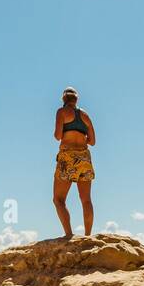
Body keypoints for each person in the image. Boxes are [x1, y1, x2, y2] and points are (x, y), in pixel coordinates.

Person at [52, 86, 96, 237]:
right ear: (76, 99)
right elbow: (92, 141)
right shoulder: (85, 115)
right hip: (84, 157)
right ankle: (88, 236)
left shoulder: (61, 112)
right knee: (86, 200)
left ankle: (69, 235)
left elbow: (58, 136)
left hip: (68, 157)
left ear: (64, 100)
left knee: (58, 200)